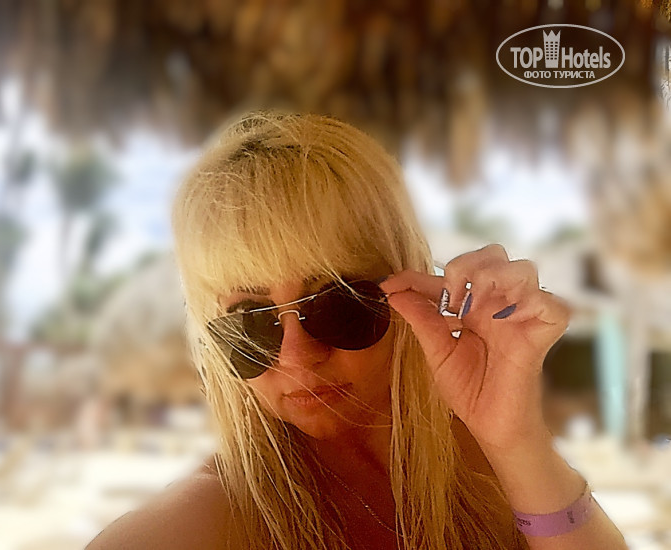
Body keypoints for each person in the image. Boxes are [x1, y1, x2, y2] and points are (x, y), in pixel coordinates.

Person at [86, 111, 627, 549]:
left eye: (338, 304)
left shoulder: (488, 460)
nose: (298, 356)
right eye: (251, 322)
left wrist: (516, 441)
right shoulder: (206, 522)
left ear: (405, 290)